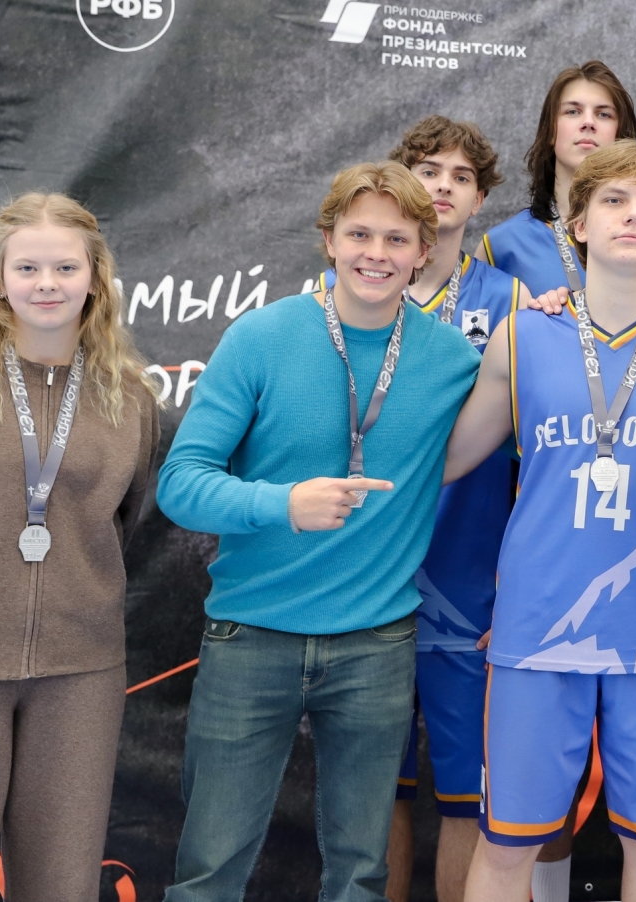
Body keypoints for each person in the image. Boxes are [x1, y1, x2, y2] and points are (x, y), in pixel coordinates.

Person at [158, 162, 481, 902]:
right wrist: (283, 504)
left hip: (376, 645)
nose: (377, 253)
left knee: (362, 873)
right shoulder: (261, 337)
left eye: (396, 238)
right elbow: (180, 483)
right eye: (359, 234)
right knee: (209, 869)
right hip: (251, 636)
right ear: (328, 240)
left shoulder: (452, 359)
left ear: (423, 251)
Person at [442, 139, 636, 902]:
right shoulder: (524, 333)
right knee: (509, 841)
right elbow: (445, 464)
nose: (633, 217)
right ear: (579, 224)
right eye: (614, 201)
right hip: (538, 625)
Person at [0, 193, 161, 902]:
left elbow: (123, 520)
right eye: (28, 268)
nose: (47, 283)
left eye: (65, 267)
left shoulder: (128, 398)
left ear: (94, 277)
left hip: (79, 672)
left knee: (61, 883)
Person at [331, 118, 529, 902]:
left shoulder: (516, 303)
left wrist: (521, 586)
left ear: (480, 200)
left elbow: (545, 460)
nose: (443, 185)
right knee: (372, 792)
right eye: (427, 170)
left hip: (470, 586)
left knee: (468, 799)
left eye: (460, 176)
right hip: (366, 582)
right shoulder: (346, 296)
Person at [480, 61, 636, 293]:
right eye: (573, 111)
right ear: (550, 130)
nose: (588, 123)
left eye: (603, 114)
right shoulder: (501, 245)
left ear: (621, 134)